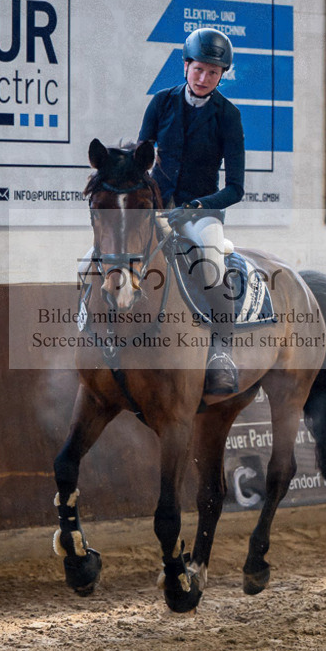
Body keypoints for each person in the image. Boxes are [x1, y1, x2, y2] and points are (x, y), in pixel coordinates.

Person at [139, 27, 245, 394]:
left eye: (213, 73)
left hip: (201, 214)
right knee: (113, 253)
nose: (204, 78)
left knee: (212, 266)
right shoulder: (161, 103)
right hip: (157, 207)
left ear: (221, 75)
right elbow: (142, 159)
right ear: (185, 66)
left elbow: (235, 188)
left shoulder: (228, 116)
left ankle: (221, 353)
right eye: (199, 69)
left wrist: (200, 206)